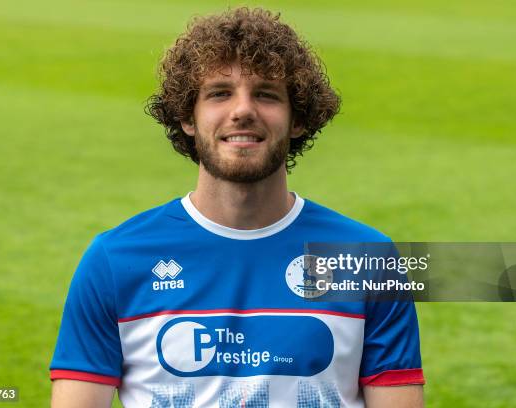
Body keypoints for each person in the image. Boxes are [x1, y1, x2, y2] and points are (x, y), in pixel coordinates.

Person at [50, 7, 425, 408]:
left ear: (298, 119)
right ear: (188, 118)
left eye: (266, 94)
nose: (243, 110)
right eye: (219, 93)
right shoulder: (113, 260)